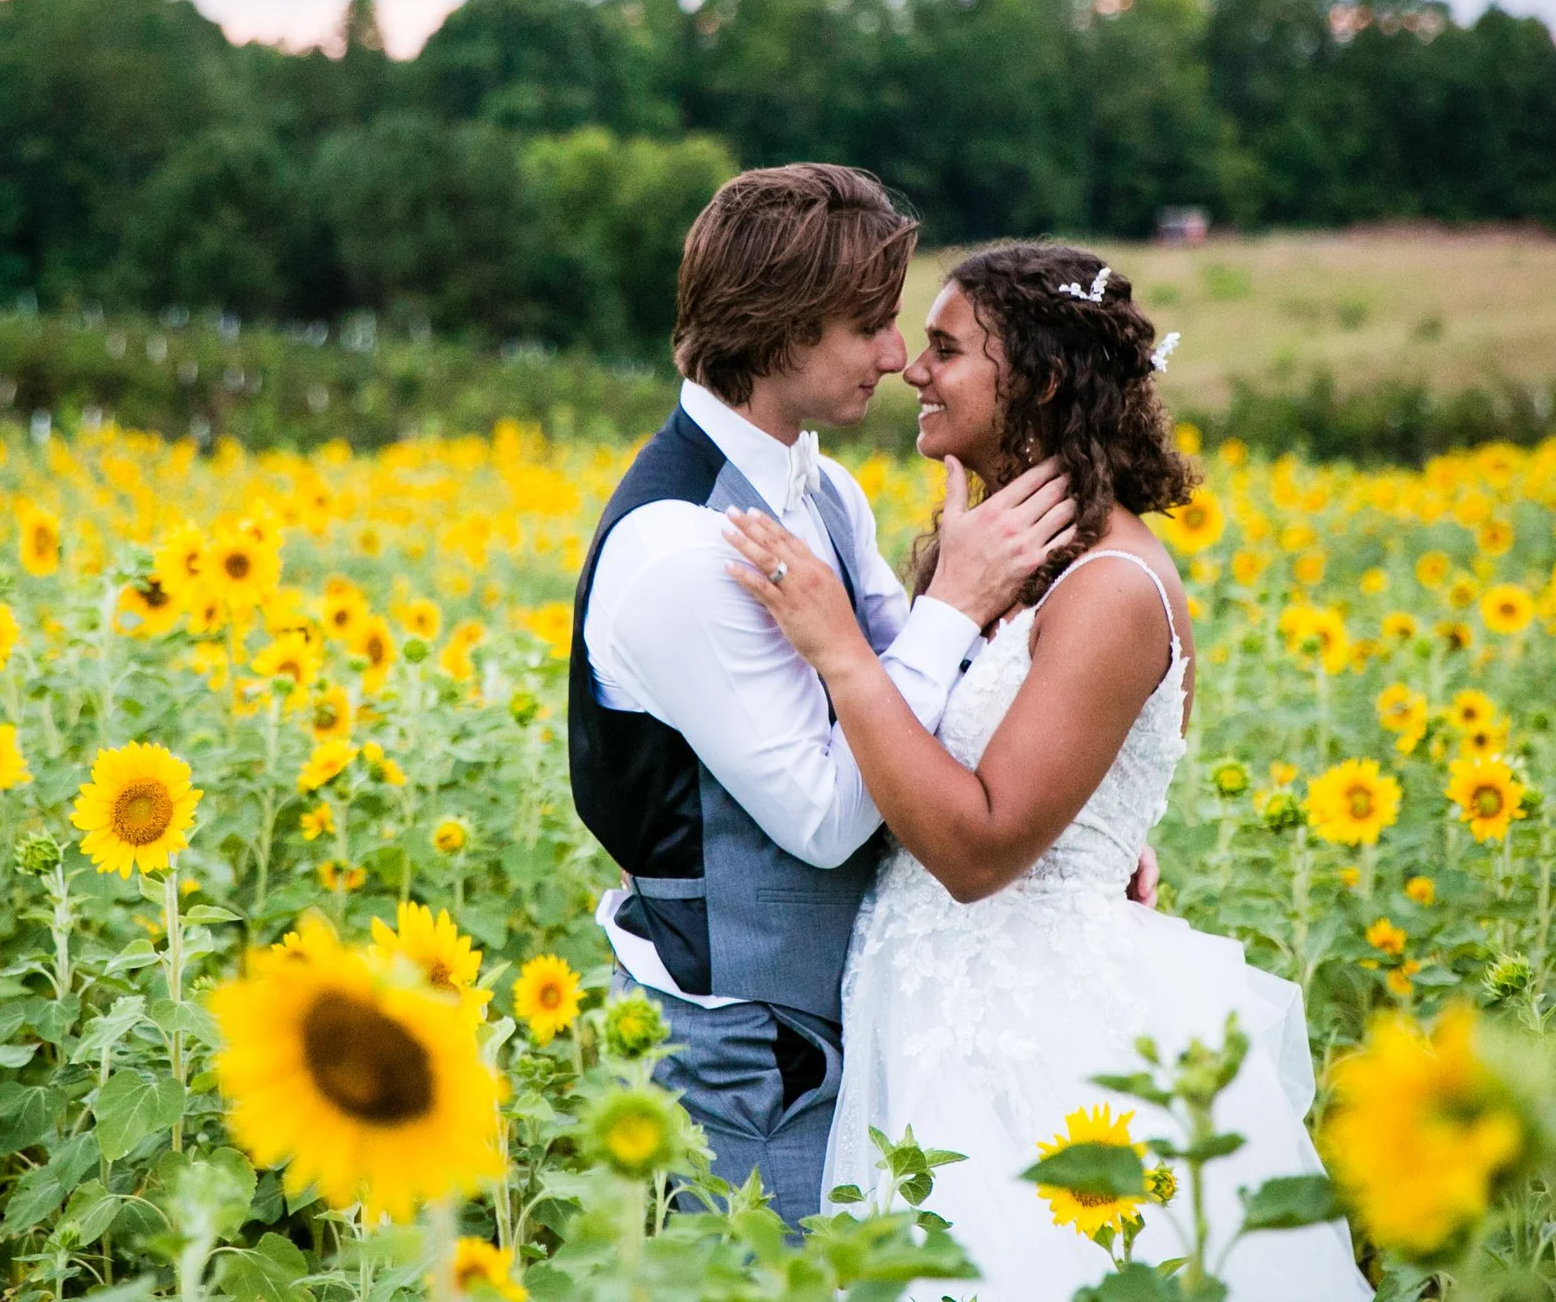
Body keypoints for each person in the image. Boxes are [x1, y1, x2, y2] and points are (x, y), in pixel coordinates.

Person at [723, 242, 1369, 1298]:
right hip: (925, 1008)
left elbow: (980, 848)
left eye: (944, 349)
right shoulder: (978, 549)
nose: (910, 370)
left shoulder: (1112, 584)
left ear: (1043, 379)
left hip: (1034, 1033)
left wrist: (838, 649)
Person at [565, 165, 1116, 1227]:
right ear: (774, 332)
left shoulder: (817, 484)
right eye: (865, 324)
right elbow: (822, 816)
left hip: (844, 1022)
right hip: (749, 1054)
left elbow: (924, 707)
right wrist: (954, 599)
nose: (896, 354)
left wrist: (1070, 822)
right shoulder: (681, 546)